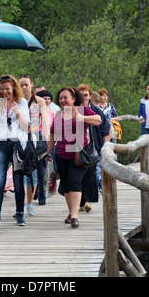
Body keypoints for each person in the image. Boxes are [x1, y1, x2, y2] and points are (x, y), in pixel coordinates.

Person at [46, 87, 102, 228]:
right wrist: (47, 152)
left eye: (66, 97)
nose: (63, 100)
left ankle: (75, 217)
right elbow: (52, 135)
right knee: (65, 184)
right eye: (61, 98)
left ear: (74, 98)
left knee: (75, 181)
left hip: (78, 155)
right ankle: (71, 213)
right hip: (61, 154)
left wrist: (82, 118)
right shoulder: (58, 115)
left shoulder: (82, 110)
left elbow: (98, 120)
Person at [0, 74, 30, 229]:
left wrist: (17, 112)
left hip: (17, 144)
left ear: (14, 88)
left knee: (18, 182)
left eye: (7, 89)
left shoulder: (22, 102)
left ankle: (19, 213)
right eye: (2, 89)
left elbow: (26, 126)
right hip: (2, 144)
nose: (4, 92)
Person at [77, 84, 111, 212]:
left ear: (90, 96)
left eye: (86, 95)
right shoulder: (73, 109)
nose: (84, 98)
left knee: (90, 174)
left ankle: (87, 201)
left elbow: (105, 129)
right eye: (81, 95)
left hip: (92, 147)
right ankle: (80, 201)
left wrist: (105, 148)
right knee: (78, 176)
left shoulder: (96, 111)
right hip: (76, 148)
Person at [19, 74, 49, 213]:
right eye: (21, 85)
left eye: (26, 84)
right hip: (19, 138)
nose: (24, 87)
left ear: (32, 84)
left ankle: (29, 203)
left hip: (36, 137)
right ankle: (20, 205)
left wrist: (47, 140)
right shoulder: (16, 100)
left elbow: (45, 121)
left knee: (33, 171)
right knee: (19, 171)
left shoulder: (39, 101)